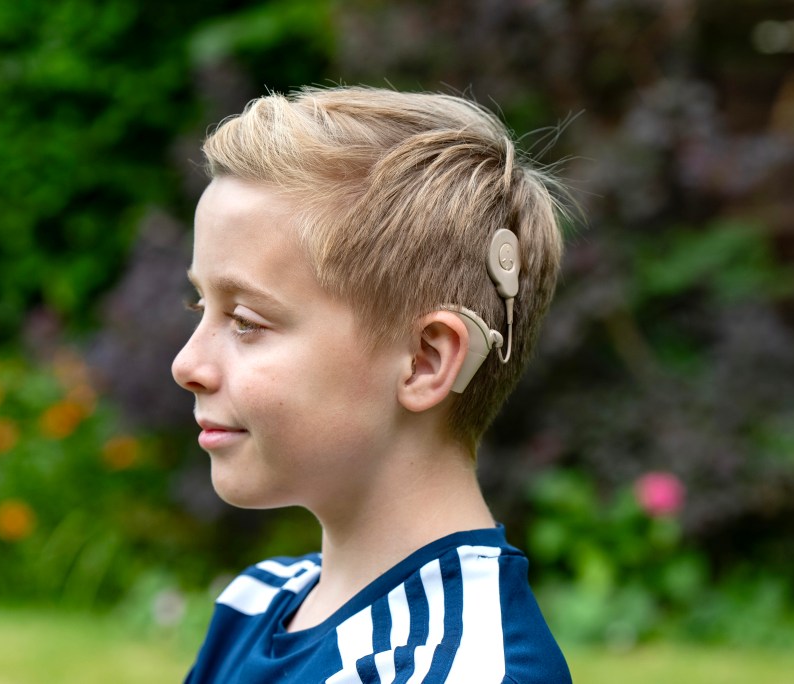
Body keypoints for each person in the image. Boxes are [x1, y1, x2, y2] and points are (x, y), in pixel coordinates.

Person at [172, 86, 571, 683]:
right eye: (199, 305)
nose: (187, 364)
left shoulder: (457, 669)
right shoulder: (253, 605)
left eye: (247, 322)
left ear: (425, 361)